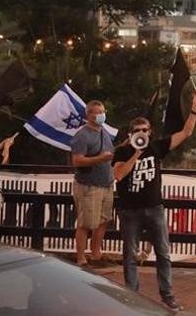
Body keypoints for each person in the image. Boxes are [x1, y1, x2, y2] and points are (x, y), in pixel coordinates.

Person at [111, 91, 196, 312]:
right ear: (131, 133)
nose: (141, 134)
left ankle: (167, 295)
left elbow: (186, 132)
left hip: (154, 208)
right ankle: (132, 296)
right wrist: (135, 154)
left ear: (150, 132)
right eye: (137, 131)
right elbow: (119, 175)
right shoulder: (122, 152)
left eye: (145, 130)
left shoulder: (157, 147)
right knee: (130, 255)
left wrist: (194, 109)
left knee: (163, 253)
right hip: (129, 211)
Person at [70, 100, 115, 267]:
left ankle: (96, 254)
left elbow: (110, 154)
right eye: (96, 112)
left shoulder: (104, 132)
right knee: (86, 223)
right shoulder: (82, 135)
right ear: (88, 115)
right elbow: (77, 161)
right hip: (89, 185)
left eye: (102, 111)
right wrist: (99, 159)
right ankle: (81, 258)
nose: (100, 115)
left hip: (106, 184)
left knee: (103, 221)